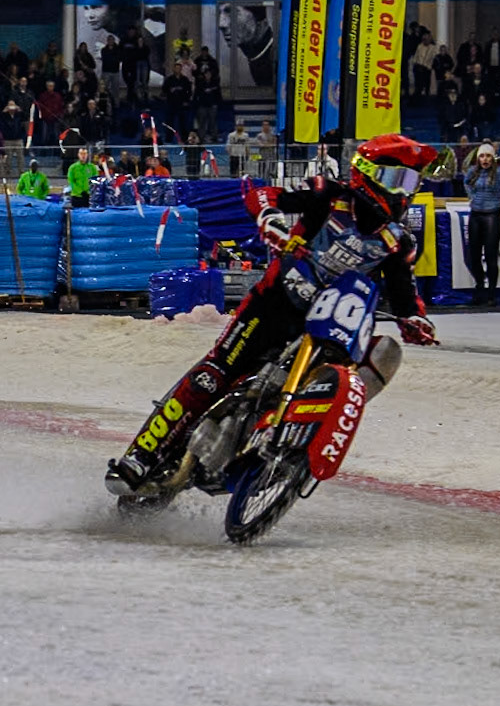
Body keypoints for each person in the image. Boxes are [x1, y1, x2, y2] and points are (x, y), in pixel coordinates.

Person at [106, 135, 441, 498]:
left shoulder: (397, 242)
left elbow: (405, 294)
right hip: (274, 303)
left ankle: (287, 448)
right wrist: (270, 220)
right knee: (214, 374)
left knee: (366, 363)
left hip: (334, 328)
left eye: (411, 183)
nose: (403, 192)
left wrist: (417, 321)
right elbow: (262, 196)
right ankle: (141, 454)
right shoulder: (327, 194)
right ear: (367, 174)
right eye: (397, 180)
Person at [464, 142, 500, 305]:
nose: (485, 159)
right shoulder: (473, 172)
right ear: (478, 158)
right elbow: (466, 182)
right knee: (474, 255)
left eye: (487, 156)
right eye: (482, 156)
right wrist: (471, 196)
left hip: (492, 216)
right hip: (476, 216)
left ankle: (491, 294)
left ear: (492, 158)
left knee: (490, 255)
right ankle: (479, 289)